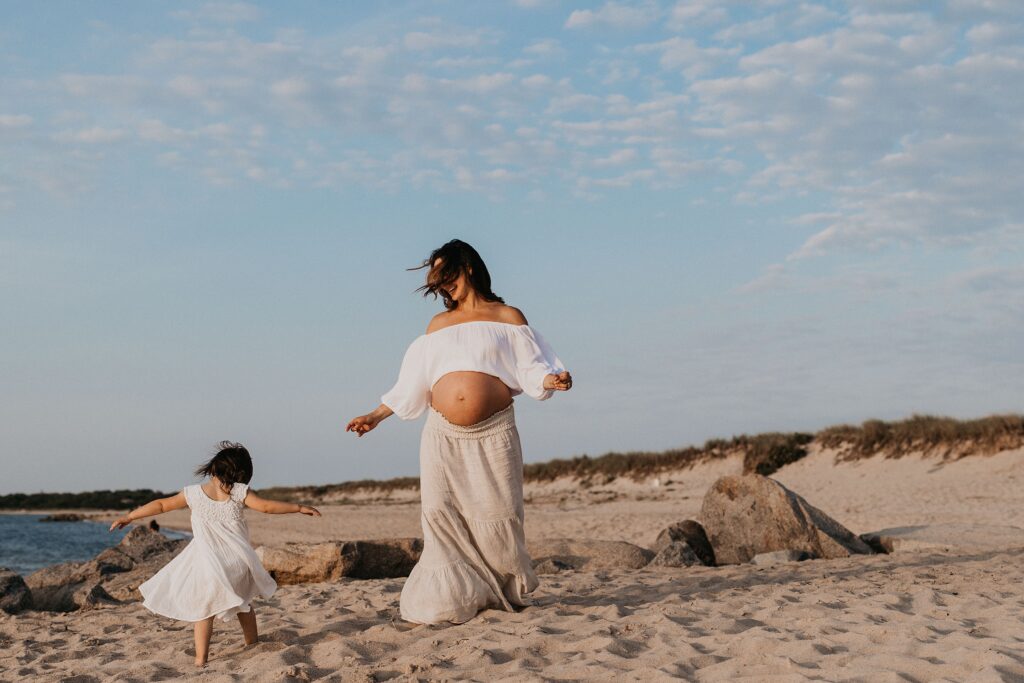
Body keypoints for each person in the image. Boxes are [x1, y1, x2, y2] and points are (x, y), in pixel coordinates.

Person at [346, 239, 572, 624]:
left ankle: (499, 590)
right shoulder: (438, 325)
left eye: (445, 274)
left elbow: (531, 366)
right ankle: (450, 599)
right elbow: (414, 381)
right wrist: (376, 414)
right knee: (439, 513)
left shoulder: (507, 316)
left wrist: (551, 379)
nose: (441, 284)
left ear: (467, 267)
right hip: (442, 437)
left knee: (499, 514)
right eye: (436, 280)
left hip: (494, 432)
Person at [108, 441, 321, 667]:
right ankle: (252, 642)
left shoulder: (192, 493)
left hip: (208, 563)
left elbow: (161, 505)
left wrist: (130, 516)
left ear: (211, 469)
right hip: (237, 561)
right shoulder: (239, 492)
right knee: (244, 603)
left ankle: (201, 659)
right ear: (242, 474)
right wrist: (298, 507)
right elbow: (267, 507)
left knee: (204, 611)